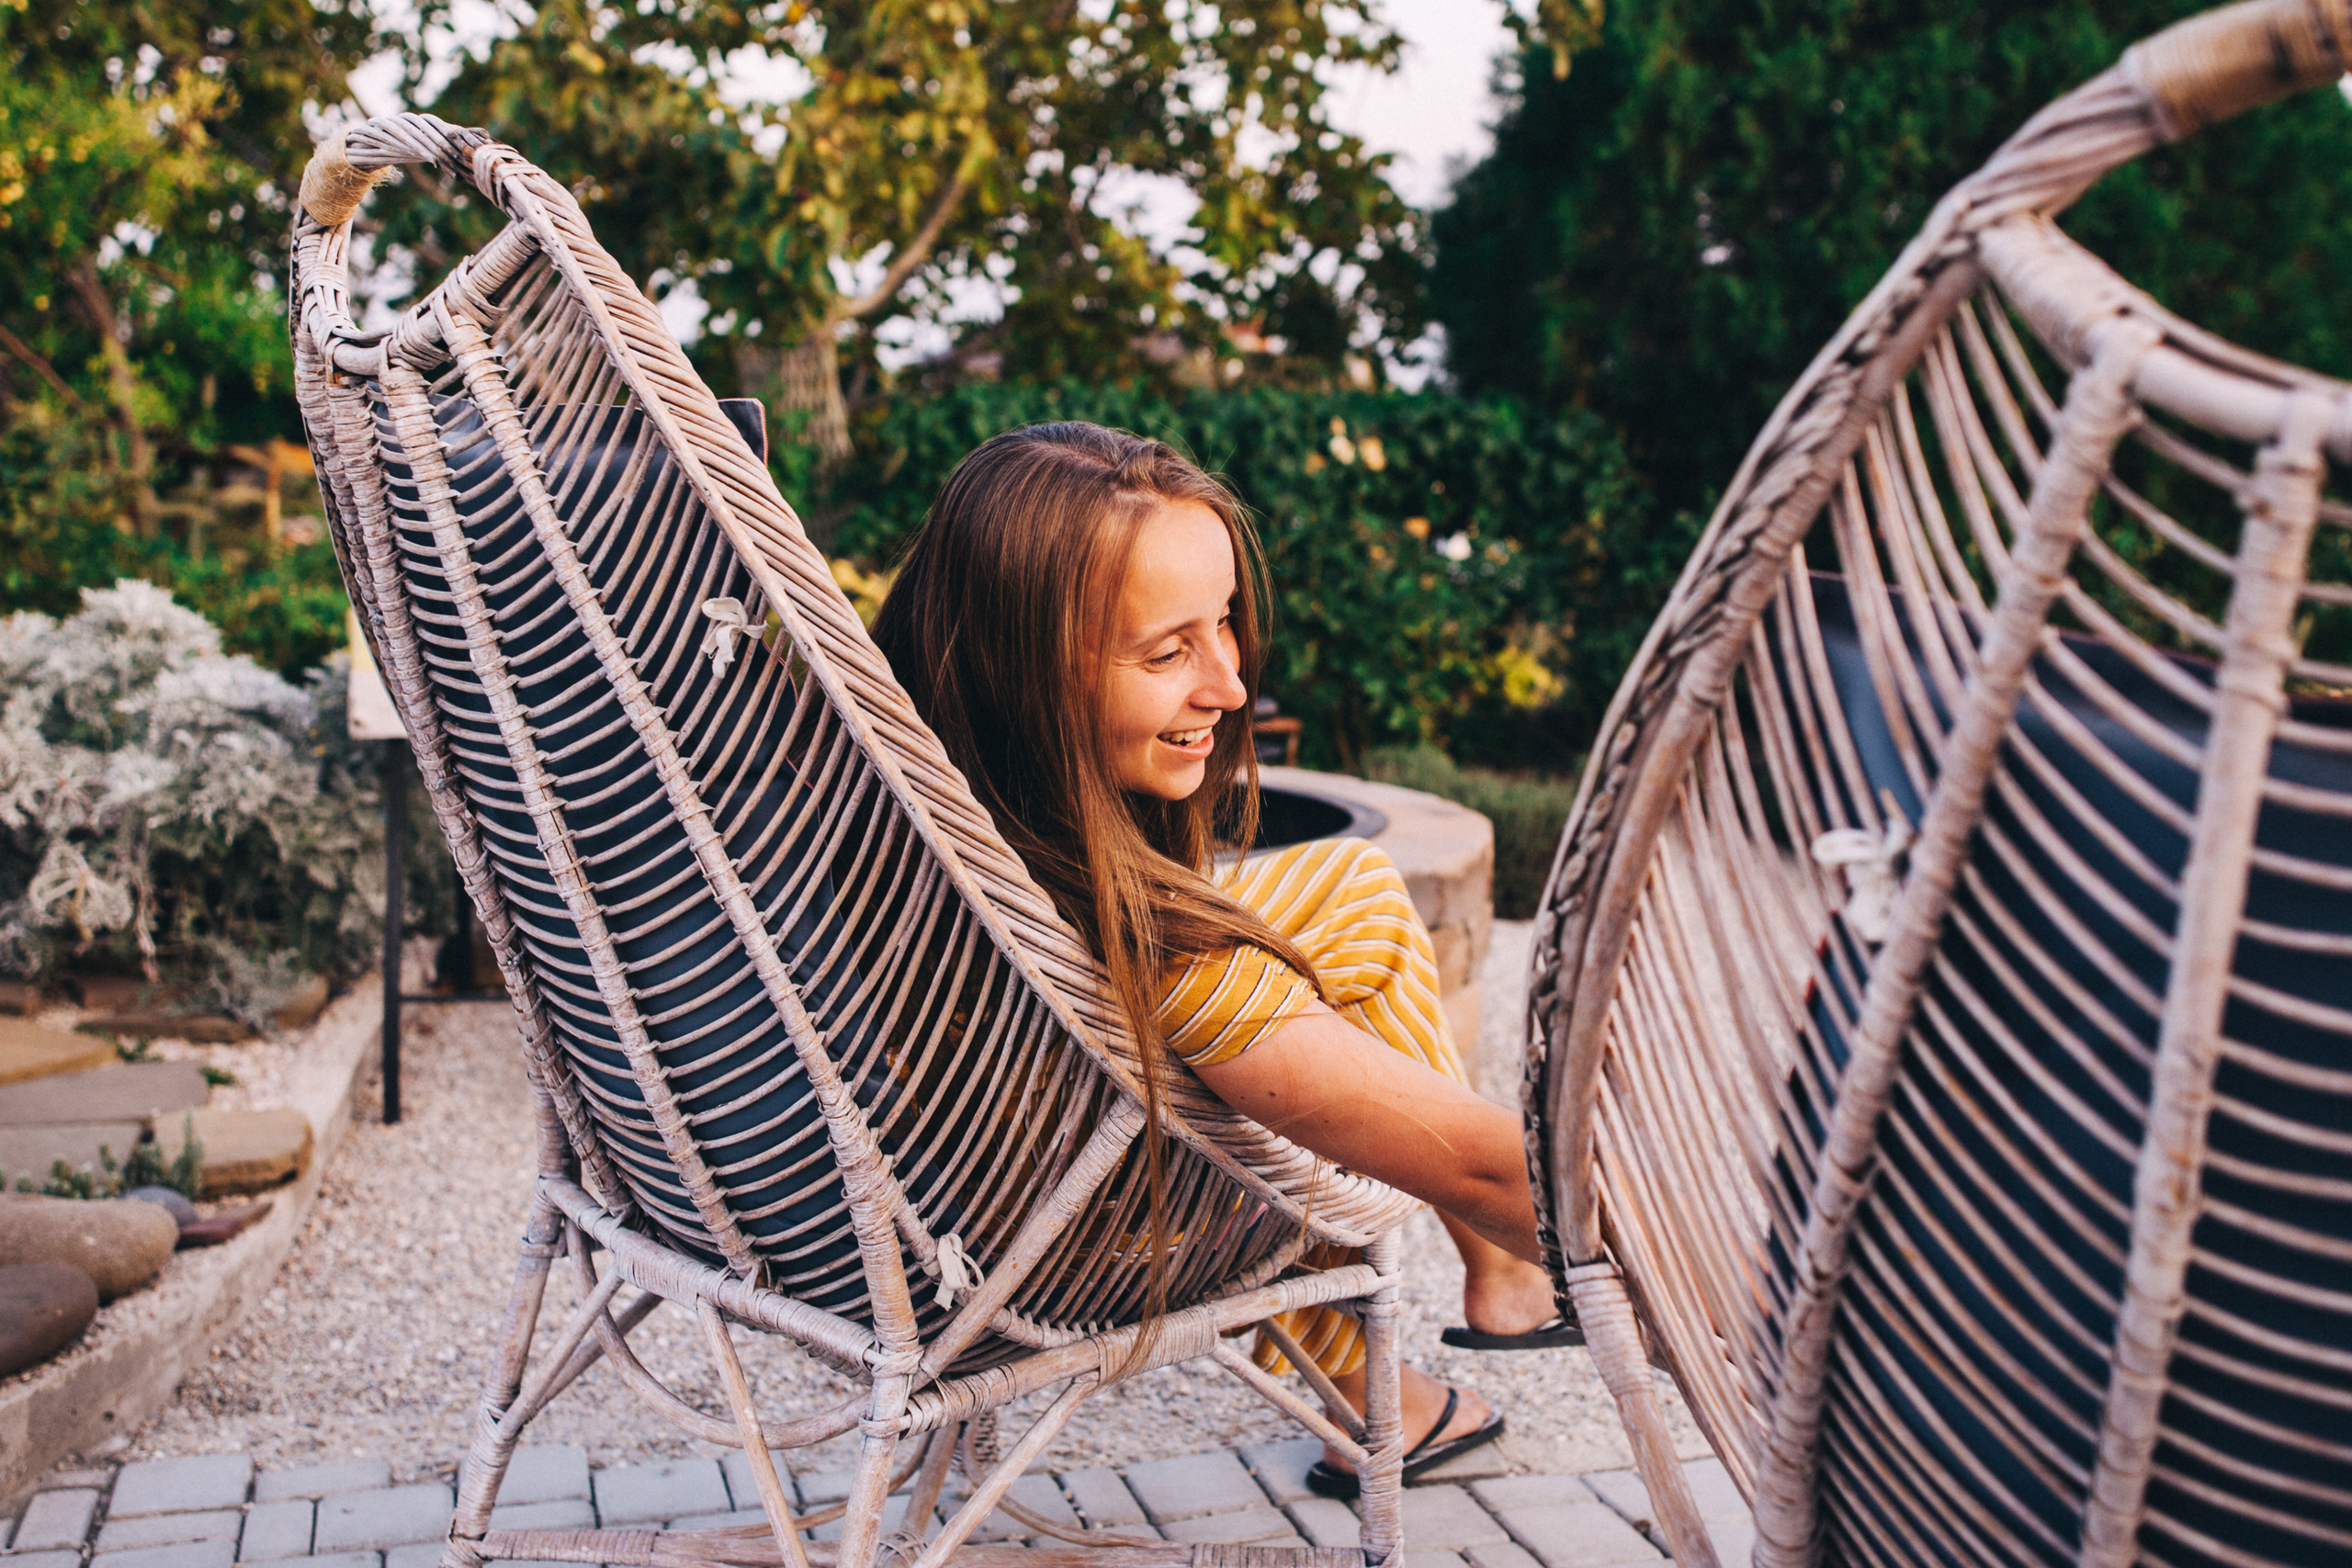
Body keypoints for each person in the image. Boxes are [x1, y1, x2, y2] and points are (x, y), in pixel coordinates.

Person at [870, 422, 1567, 1499]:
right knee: (1319, 1044)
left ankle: (1503, 1278)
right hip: (1057, 1224)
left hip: (961, 1129)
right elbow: (1489, 1169)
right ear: (1025, 672)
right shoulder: (1169, 965)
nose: (1232, 686)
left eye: (1225, 625)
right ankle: (1377, 1370)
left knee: (1357, 891)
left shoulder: (914, 800)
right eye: (1168, 652)